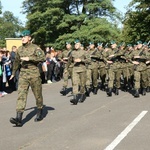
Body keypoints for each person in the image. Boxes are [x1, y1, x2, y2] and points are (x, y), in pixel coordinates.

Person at [9, 30, 46, 126]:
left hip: (34, 73)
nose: (22, 38)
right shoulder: (20, 49)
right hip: (23, 73)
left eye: (24, 37)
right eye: (22, 37)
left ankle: (39, 111)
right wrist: (13, 73)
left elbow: (43, 58)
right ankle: (18, 118)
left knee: (37, 94)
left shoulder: (35, 48)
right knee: (21, 94)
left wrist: (30, 59)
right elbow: (16, 61)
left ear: (29, 38)